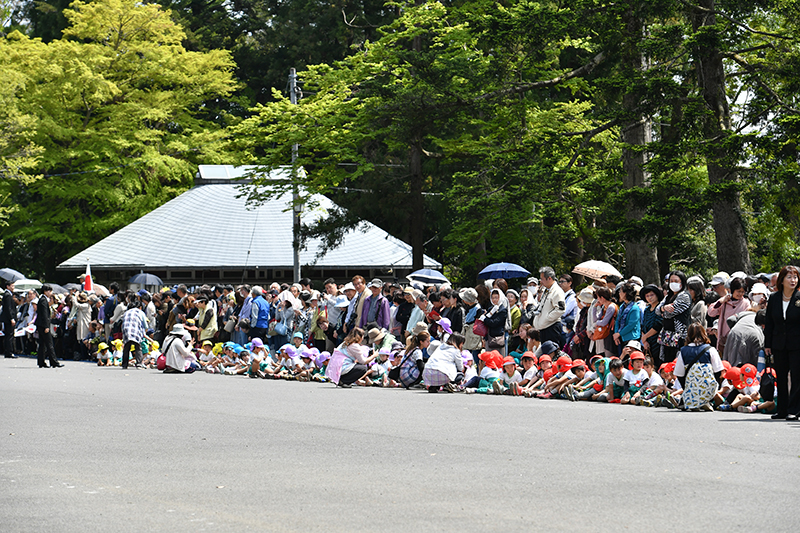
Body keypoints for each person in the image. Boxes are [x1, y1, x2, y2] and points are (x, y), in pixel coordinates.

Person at [764, 265, 800, 420]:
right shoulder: (774, 298)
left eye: (795, 277)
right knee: (781, 376)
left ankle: (795, 410)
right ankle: (782, 409)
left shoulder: (799, 298)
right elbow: (769, 323)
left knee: (797, 377)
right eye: (789, 277)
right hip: (778, 343)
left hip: (797, 343)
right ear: (782, 280)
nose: (793, 280)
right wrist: (767, 344)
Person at [673, 323, 724, 411]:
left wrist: (686, 388)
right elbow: (718, 371)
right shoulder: (710, 349)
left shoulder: (684, 351)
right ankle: (705, 401)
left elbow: (679, 374)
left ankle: (691, 401)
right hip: (709, 387)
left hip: (692, 389)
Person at [708, 276, 751, 358]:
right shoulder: (724, 301)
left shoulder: (746, 303)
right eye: (738, 291)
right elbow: (711, 313)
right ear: (732, 290)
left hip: (738, 339)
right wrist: (720, 301)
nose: (740, 294)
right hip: (724, 339)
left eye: (742, 292)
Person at [655, 271, 691, 364]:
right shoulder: (668, 296)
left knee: (677, 362)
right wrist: (664, 308)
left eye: (676, 281)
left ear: (682, 282)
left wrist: (663, 310)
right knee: (666, 361)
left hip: (679, 335)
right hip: (667, 336)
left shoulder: (684, 296)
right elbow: (657, 310)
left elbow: (669, 314)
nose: (673, 283)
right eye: (671, 281)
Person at [532, 266, 566, 346]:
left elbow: (561, 309)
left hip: (551, 326)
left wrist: (547, 318)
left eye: (542, 279)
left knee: (551, 353)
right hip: (544, 326)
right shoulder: (547, 289)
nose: (541, 281)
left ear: (549, 278)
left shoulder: (557, 291)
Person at [36, 285, 63, 368]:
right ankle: (54, 362)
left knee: (42, 344)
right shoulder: (43, 300)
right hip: (43, 325)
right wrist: (46, 326)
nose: (50, 293)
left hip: (40, 324)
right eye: (49, 291)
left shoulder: (42, 299)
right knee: (49, 343)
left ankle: (41, 362)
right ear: (45, 291)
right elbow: (44, 315)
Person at [612, 283, 641, 355]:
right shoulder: (622, 306)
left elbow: (631, 325)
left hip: (631, 338)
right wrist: (616, 334)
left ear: (625, 293)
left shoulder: (634, 308)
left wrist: (619, 333)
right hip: (620, 337)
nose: (619, 293)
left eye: (620, 291)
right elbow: (617, 320)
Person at [121, 299, 148, 369]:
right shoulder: (140, 312)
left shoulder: (126, 312)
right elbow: (146, 325)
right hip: (135, 330)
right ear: (140, 307)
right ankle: (139, 364)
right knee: (138, 347)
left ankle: (124, 364)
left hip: (126, 329)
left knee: (127, 347)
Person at [2, 279, 17, 358]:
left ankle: (8, 351)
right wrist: (12, 318)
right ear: (8, 286)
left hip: (7, 318)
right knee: (9, 335)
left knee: (9, 335)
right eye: (12, 286)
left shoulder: (8, 294)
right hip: (8, 318)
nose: (13, 287)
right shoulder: (7, 295)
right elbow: (8, 308)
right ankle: (9, 352)